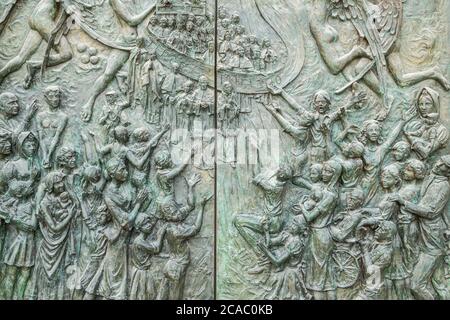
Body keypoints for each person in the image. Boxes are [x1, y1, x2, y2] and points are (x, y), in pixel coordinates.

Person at [390, 155, 450, 300]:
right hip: (421, 235)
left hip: (432, 240)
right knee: (440, 285)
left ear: (448, 171)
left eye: (442, 165)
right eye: (439, 160)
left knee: (416, 285)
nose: (437, 164)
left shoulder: (443, 186)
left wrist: (404, 202)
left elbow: (430, 212)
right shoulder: (431, 176)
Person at [28, 171, 78, 300]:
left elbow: (76, 203)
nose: (61, 185)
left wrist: (69, 188)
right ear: (50, 186)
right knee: (48, 275)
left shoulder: (63, 197)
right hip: (51, 244)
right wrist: (69, 216)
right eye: (57, 183)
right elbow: (55, 228)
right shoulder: (44, 203)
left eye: (62, 182)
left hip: (62, 243)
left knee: (60, 274)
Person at [403, 87, 449, 161]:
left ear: (435, 105)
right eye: (421, 104)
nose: (423, 108)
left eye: (427, 104)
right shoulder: (414, 124)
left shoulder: (442, 130)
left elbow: (425, 153)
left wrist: (410, 138)